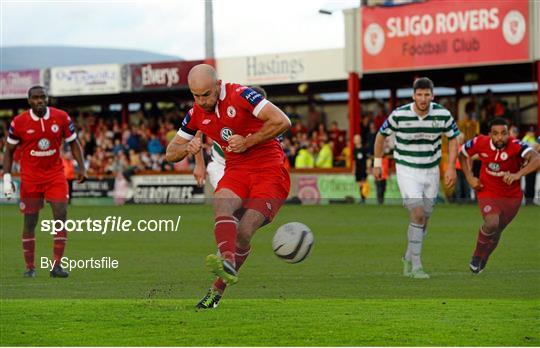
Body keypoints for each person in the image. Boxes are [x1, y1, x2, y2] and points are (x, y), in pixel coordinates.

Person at [166, 65, 291, 309]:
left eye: (206, 95)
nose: (201, 101)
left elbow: (282, 121)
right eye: (196, 95)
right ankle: (228, 260)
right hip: (237, 170)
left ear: (219, 84)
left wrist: (248, 141)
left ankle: (216, 290)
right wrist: (186, 149)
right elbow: (171, 152)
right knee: (221, 203)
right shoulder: (195, 114)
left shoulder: (241, 95)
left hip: (270, 171)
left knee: (244, 232)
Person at [373, 77, 460, 279]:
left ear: (432, 95)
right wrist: (377, 164)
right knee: (418, 214)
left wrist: (450, 167)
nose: (423, 98)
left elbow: (454, 138)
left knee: (424, 220)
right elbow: (380, 135)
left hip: (431, 171)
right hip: (407, 170)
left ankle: (407, 257)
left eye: (426, 94)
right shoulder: (399, 115)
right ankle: (417, 266)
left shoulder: (442, 114)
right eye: (419, 94)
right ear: (413, 96)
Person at [2, 86, 86, 278]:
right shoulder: (19, 122)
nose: (39, 100)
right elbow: (9, 150)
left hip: (55, 175)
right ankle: (30, 267)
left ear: (47, 99)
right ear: (29, 100)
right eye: (35, 98)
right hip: (30, 178)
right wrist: (7, 178)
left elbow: (73, 142)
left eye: (43, 97)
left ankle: (56, 266)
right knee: (30, 222)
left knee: (61, 215)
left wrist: (82, 167)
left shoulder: (61, 117)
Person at [459, 118, 540, 274]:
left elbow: (536, 158)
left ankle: (485, 257)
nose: (499, 138)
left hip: (511, 197)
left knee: (496, 232)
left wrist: (518, 174)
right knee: (492, 222)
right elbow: (462, 154)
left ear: (508, 133)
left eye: (503, 133)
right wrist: (469, 177)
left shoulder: (516, 146)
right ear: (490, 134)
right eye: (495, 134)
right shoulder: (479, 142)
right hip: (487, 190)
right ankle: (476, 255)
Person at [193, 86, 267, 189]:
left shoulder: (268, 124)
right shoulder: (228, 111)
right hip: (221, 166)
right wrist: (199, 164)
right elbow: (197, 130)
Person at [353, 134, 369, 203]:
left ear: (360, 140)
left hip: (364, 169)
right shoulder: (354, 150)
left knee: (363, 183)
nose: (357, 140)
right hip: (358, 169)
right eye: (356, 139)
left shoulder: (364, 148)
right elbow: (354, 160)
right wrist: (353, 169)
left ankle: (363, 198)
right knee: (359, 184)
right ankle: (362, 198)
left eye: (358, 139)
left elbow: (368, 159)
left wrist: (368, 168)